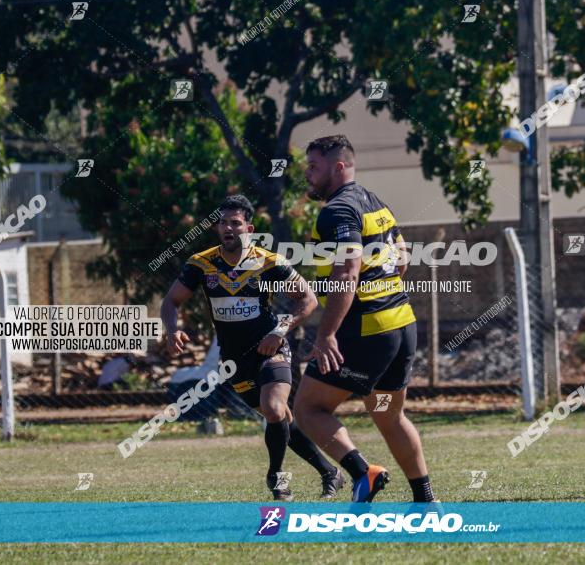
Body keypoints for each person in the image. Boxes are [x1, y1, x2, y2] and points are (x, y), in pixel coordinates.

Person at [161, 195, 344, 501]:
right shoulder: (201, 264)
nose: (228, 228)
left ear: (249, 227)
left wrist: (279, 330)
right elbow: (171, 301)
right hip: (233, 359)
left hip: (271, 349)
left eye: (235, 223)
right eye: (223, 223)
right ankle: (331, 472)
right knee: (281, 419)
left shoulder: (268, 262)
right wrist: (172, 329)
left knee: (273, 410)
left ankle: (277, 479)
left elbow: (308, 299)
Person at [293, 135, 435, 503]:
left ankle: (362, 472)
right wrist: (382, 289)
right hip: (401, 325)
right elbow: (401, 259)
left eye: (314, 167)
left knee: (308, 408)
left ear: (338, 167)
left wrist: (326, 336)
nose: (308, 174)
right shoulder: (376, 203)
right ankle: (425, 500)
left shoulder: (337, 210)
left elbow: (347, 274)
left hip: (367, 330)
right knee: (388, 415)